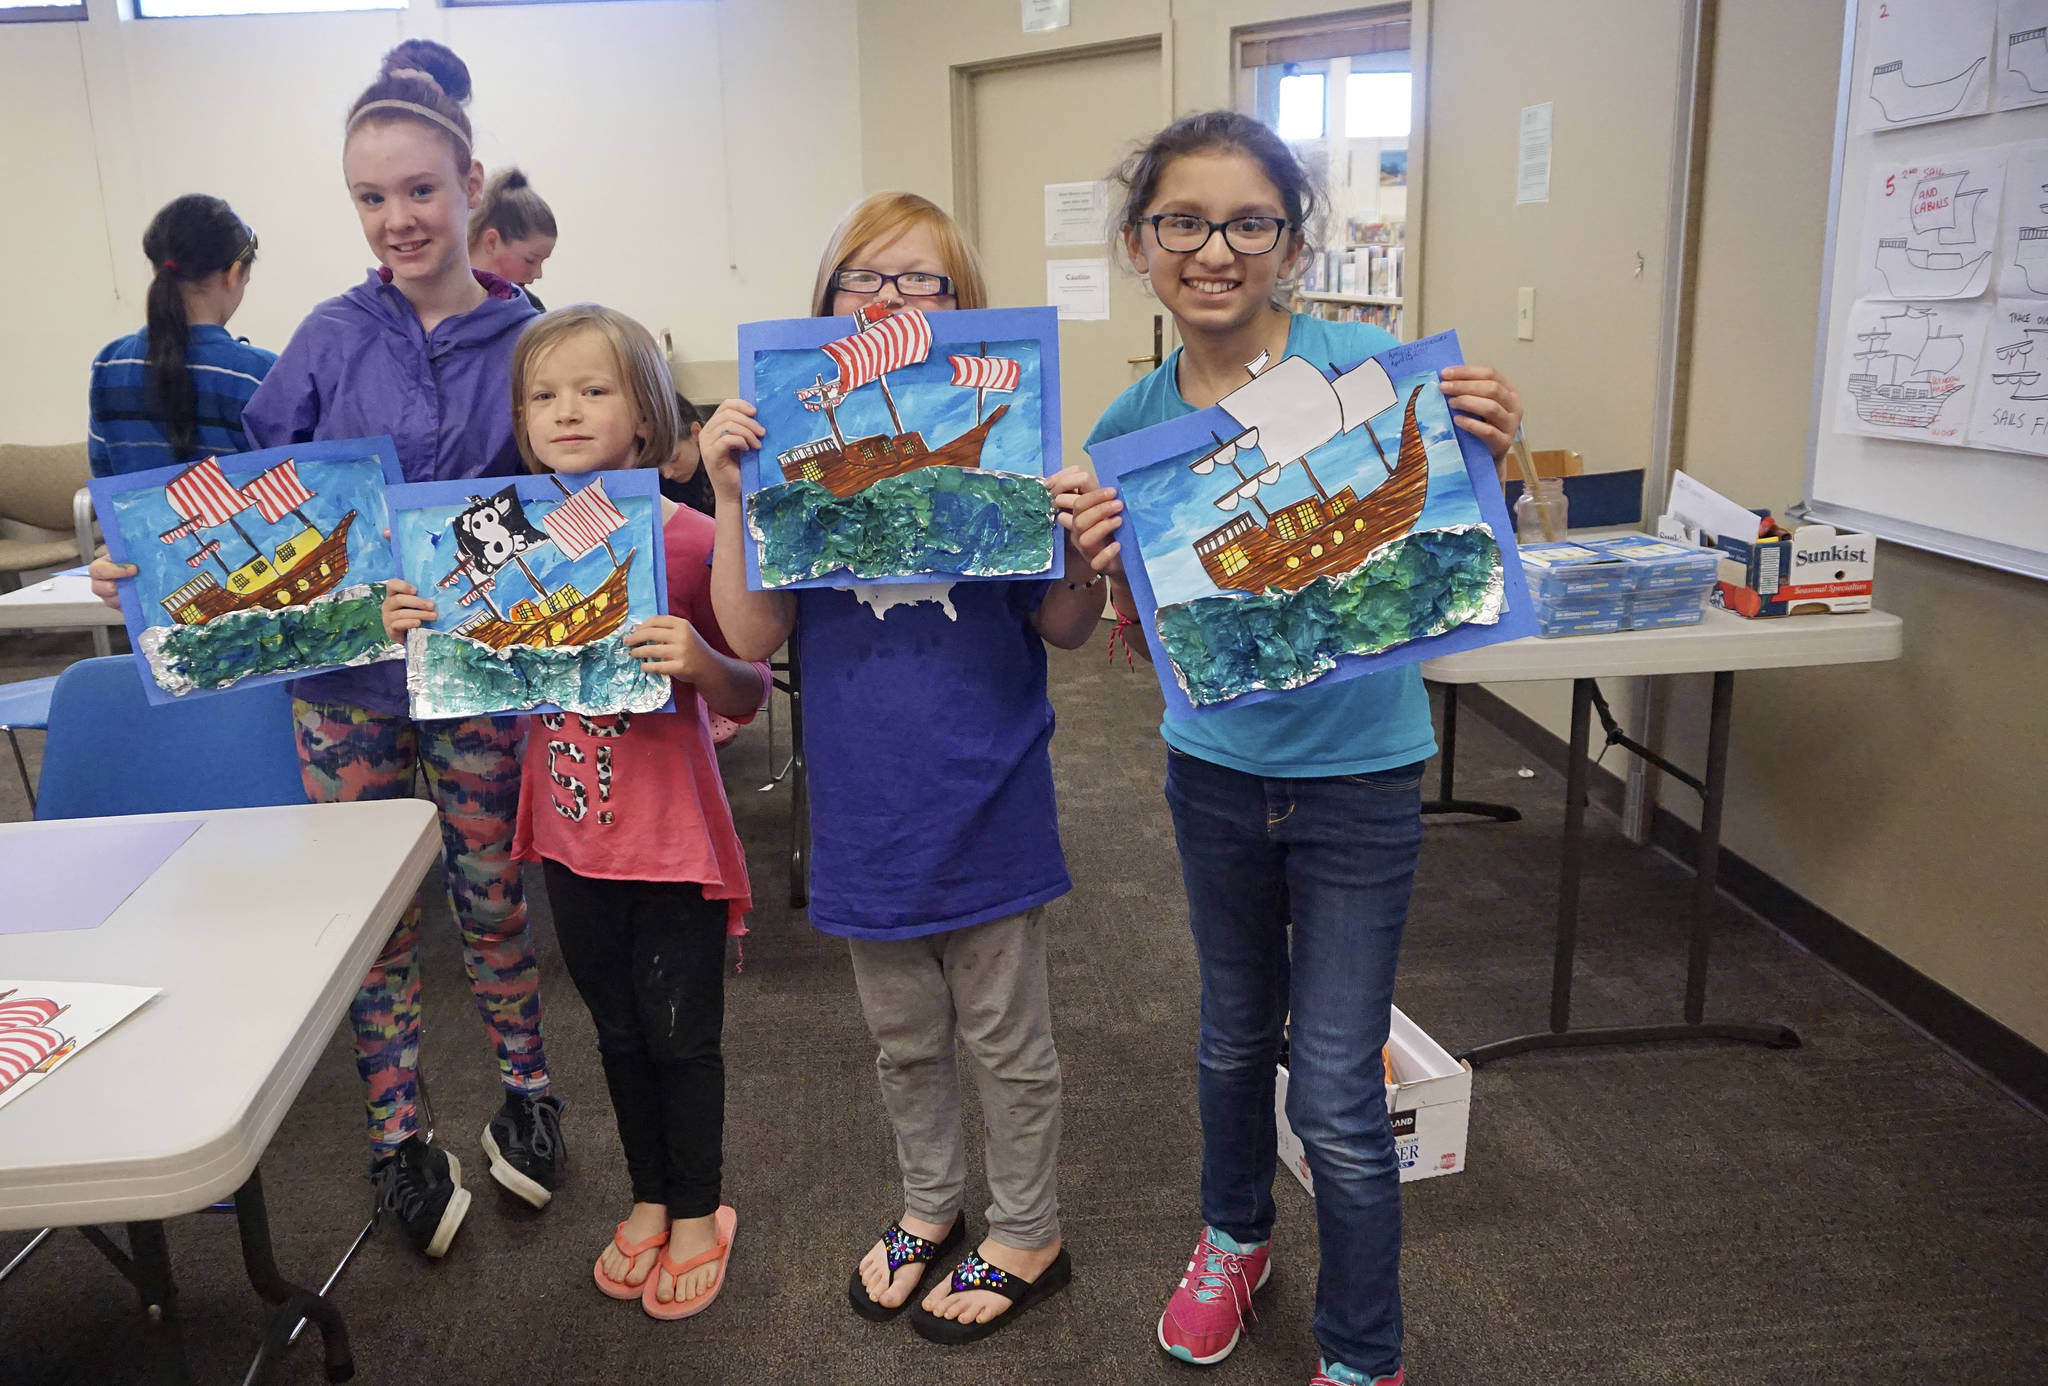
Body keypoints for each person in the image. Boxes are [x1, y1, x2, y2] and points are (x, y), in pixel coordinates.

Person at [1069, 111, 1525, 1386]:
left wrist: (1496, 455)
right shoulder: (1131, 426)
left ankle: (1362, 1351)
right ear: (1138, 244)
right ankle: (1233, 1236)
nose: (1214, 249)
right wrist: (1106, 571)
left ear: (1291, 243)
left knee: (1331, 1083)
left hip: (1362, 780)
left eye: (1247, 223)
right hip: (1211, 773)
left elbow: (1462, 542)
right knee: (1227, 1033)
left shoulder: (1371, 371)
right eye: (1182, 222)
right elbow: (1140, 640)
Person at [699, 191, 1105, 1344]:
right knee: (902, 1039)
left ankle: (1029, 1229)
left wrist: (1082, 551)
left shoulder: (1010, 446)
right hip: (865, 810)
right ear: (825, 304)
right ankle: (931, 1207)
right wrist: (732, 496)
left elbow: (1066, 628)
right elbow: (749, 633)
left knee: (1006, 1042)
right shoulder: (794, 447)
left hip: (989, 793)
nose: (887, 300)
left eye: (919, 282)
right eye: (861, 281)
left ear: (962, 308)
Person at [382, 305, 767, 1317]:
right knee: (616, 1036)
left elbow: (751, 686)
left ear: (645, 419)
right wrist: (414, 619)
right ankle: (650, 1195)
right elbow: (462, 655)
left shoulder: (682, 536)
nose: (565, 411)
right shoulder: (496, 536)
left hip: (671, 843)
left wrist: (706, 661)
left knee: (682, 1038)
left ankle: (698, 1208)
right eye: (543, 395)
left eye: (594, 390)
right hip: (565, 839)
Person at [243, 39, 556, 1260]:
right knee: (373, 921)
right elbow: (258, 507)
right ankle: (395, 1134)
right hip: (344, 692)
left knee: (488, 899)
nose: (397, 219)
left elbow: (570, 504)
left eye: (419, 190)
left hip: (480, 679)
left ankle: (528, 1092)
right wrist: (149, 566)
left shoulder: (533, 336)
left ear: (468, 181)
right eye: (370, 198)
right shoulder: (326, 337)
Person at [88, 194, 274, 476]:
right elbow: (294, 485)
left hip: (136, 522)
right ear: (234, 273)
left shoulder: (109, 365)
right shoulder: (260, 375)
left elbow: (106, 480)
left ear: (155, 269)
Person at [469, 168, 557, 310]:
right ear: (492, 242)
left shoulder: (532, 312)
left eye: (542, 262)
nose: (538, 274)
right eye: (530, 260)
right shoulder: (432, 297)